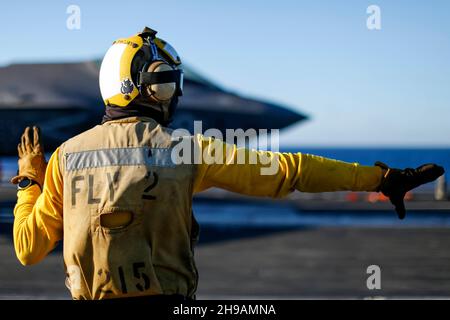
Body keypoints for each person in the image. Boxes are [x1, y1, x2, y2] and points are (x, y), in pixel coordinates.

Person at [11, 27, 444, 300]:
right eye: (166, 84)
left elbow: (29, 251)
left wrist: (30, 179)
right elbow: (289, 171)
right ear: (142, 89)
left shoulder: (66, 158)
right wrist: (381, 178)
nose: (175, 95)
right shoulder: (186, 150)